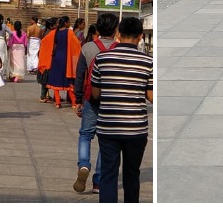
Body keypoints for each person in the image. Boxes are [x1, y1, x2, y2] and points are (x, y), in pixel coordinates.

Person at [91, 17, 153, 203]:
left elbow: (95, 93)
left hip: (108, 127)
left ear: (118, 34)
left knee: (109, 173)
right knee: (132, 174)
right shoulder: (147, 61)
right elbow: (151, 96)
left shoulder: (101, 59)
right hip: (135, 128)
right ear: (141, 37)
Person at [73, 12, 119, 195]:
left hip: (91, 99)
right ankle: (98, 182)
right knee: (105, 140)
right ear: (116, 29)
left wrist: (77, 100)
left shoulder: (88, 48)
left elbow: (80, 75)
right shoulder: (119, 48)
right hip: (112, 101)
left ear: (98, 29)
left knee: (85, 135)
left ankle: (84, 165)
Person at [39, 16, 81, 109]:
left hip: (56, 58)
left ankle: (58, 103)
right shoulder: (69, 33)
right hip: (66, 59)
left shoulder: (55, 32)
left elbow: (44, 41)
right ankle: (74, 103)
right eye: (69, 21)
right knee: (68, 81)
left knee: (56, 81)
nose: (69, 23)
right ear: (65, 23)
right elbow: (77, 44)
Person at [37, 17, 58, 102]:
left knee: (45, 78)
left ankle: (46, 95)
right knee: (46, 79)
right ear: (52, 25)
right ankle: (43, 96)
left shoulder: (45, 31)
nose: (57, 25)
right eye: (56, 24)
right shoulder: (52, 33)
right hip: (48, 57)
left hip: (44, 56)